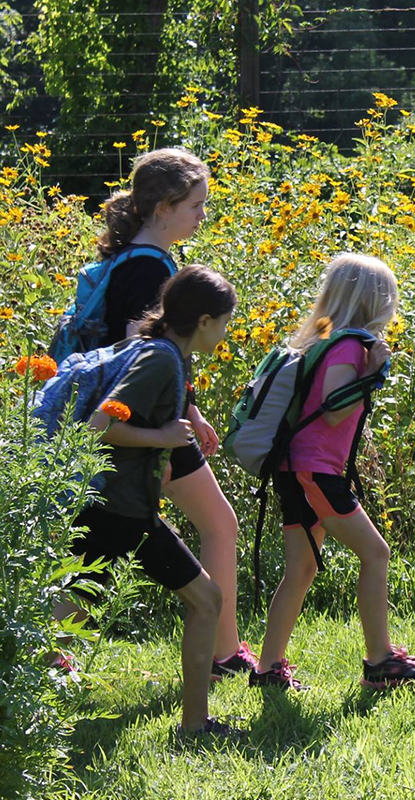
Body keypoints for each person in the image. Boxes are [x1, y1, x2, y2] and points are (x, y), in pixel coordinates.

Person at [56, 265, 238, 736]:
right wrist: (160, 434)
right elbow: (99, 425)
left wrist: (181, 420)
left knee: (68, 611)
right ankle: (195, 726)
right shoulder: (160, 359)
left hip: (110, 506)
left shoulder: (161, 351)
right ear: (203, 321)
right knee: (206, 600)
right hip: (121, 511)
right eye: (224, 322)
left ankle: (25, 700)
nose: (225, 332)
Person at [97, 147, 256, 678]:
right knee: (218, 524)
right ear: (162, 207)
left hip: (148, 422)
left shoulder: (128, 260)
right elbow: (142, 355)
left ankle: (46, 653)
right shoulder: (148, 269)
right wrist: (179, 419)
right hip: (145, 427)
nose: (201, 215)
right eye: (195, 205)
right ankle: (224, 652)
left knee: (106, 539)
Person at [251, 254, 415, 690]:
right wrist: (371, 375)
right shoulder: (350, 346)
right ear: (375, 301)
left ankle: (268, 670)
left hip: (299, 467)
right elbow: (334, 409)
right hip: (314, 471)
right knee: (376, 554)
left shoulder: (326, 340)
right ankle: (380, 662)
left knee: (300, 570)